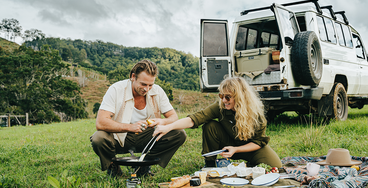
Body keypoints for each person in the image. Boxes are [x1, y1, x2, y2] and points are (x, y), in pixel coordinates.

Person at [154, 76, 282, 168]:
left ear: (240, 97)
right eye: (221, 96)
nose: (224, 100)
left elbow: (259, 142)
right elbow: (195, 118)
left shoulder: (256, 114)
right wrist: (169, 127)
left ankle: (249, 165)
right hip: (227, 145)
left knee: (276, 167)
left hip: (250, 148)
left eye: (228, 97)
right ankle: (210, 164)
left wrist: (236, 150)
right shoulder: (220, 106)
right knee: (210, 125)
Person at [91, 60, 186, 177]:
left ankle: (143, 165)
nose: (147, 89)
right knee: (98, 138)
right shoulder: (116, 89)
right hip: (119, 136)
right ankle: (113, 166)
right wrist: (130, 127)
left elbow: (173, 117)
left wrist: (162, 121)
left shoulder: (157, 91)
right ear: (133, 77)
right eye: (143, 84)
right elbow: (101, 122)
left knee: (179, 133)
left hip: (147, 136)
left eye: (150, 85)